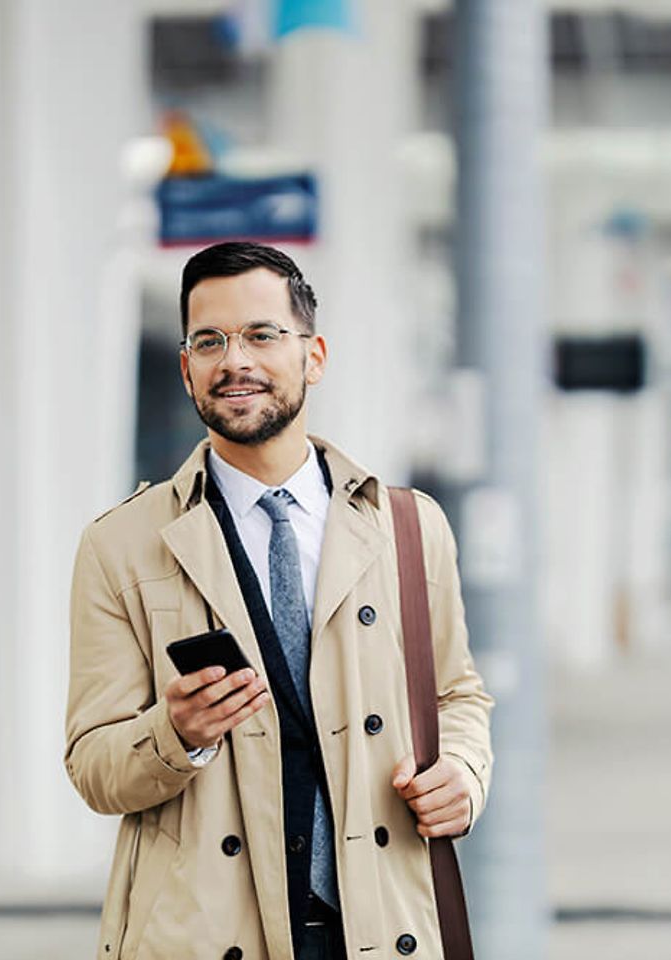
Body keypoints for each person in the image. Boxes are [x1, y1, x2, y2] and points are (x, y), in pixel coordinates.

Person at [66, 242, 493, 960]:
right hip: (205, 937)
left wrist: (464, 774)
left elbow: (458, 695)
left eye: (262, 335)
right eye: (210, 341)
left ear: (313, 357)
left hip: (381, 928)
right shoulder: (120, 546)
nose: (235, 361)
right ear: (186, 368)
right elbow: (93, 766)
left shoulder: (410, 528)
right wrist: (178, 733)